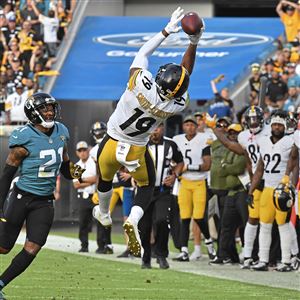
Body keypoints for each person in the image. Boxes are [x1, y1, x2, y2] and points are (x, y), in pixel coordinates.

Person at [92, 7, 204, 257]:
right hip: (137, 148)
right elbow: (186, 73)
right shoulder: (176, 104)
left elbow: (143, 52)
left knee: (104, 178)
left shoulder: (139, 83)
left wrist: (166, 30)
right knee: (145, 186)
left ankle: (104, 212)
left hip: (110, 143)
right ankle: (133, 218)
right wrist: (193, 42)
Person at [0, 92, 85, 299]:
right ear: (33, 112)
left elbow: (65, 166)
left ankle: (1, 283)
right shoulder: (23, 136)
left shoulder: (62, 132)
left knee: (33, 246)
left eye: (51, 108)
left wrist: (78, 173)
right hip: (21, 196)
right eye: (44, 109)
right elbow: (7, 174)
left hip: (44, 200)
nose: (49, 112)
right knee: (3, 247)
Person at [205, 106, 269, 268]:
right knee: (252, 221)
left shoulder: (269, 133)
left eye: (256, 119)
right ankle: (249, 256)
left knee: (272, 223)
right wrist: (213, 128)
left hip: (270, 181)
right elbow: (244, 158)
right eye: (251, 120)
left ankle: (275, 257)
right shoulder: (245, 138)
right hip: (255, 183)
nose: (253, 123)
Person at [248, 110, 298, 271]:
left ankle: (286, 261)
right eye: (275, 124)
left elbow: (294, 163)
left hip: (281, 189)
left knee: (283, 225)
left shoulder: (290, 142)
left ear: (284, 127)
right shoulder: (263, 142)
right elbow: (259, 169)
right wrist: (251, 190)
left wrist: (289, 182)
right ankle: (263, 260)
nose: (277, 127)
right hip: (267, 189)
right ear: (271, 126)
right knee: (265, 225)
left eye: (280, 125)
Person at [139, 123, 183, 269]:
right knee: (144, 226)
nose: (154, 131)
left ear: (163, 128)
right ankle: (146, 258)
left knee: (162, 221)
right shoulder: (141, 144)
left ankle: (161, 255)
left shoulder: (170, 144)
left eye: (157, 128)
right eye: (152, 129)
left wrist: (175, 175)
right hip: (144, 191)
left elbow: (180, 162)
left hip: (162, 191)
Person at [173, 115, 216, 262]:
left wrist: (187, 167)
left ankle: (209, 243)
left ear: (196, 126)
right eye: (187, 125)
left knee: (199, 217)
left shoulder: (203, 138)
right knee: (184, 217)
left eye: (192, 125)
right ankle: (184, 250)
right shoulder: (177, 140)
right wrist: (177, 170)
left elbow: (207, 165)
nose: (189, 127)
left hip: (199, 182)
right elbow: (173, 160)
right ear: (183, 126)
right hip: (184, 182)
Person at [210, 124, 248, 264]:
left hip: (243, 190)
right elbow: (221, 168)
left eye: (236, 133)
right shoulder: (228, 149)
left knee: (246, 224)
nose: (233, 135)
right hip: (231, 191)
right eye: (231, 133)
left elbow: (239, 167)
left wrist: (227, 167)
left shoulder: (244, 147)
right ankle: (222, 255)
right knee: (226, 225)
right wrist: (227, 167)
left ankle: (249, 254)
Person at [73, 140, 99, 253]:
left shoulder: (94, 163)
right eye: (80, 151)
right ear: (77, 153)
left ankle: (102, 245)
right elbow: (76, 184)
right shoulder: (76, 166)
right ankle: (84, 245)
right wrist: (90, 181)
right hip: (83, 196)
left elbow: (96, 178)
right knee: (83, 221)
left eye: (84, 150)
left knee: (99, 220)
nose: (82, 153)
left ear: (88, 150)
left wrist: (83, 180)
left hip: (94, 195)